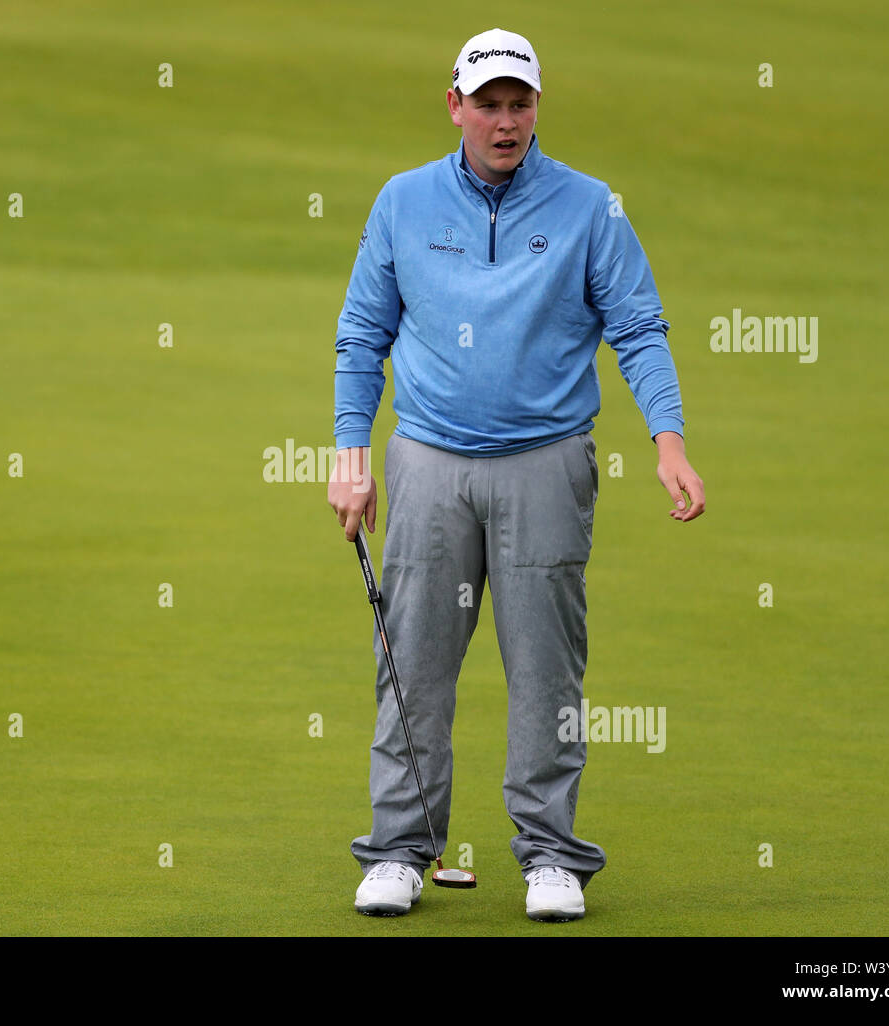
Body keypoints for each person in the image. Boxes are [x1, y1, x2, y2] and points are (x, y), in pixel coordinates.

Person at [327, 27, 705, 921]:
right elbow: (361, 337)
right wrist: (351, 456)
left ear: (538, 106)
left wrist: (670, 440)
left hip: (547, 462)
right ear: (454, 105)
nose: (505, 122)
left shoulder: (588, 208)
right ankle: (398, 852)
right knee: (412, 660)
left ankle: (551, 856)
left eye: (519, 103)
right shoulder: (403, 202)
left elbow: (640, 327)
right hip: (427, 460)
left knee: (546, 668)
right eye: (488, 104)